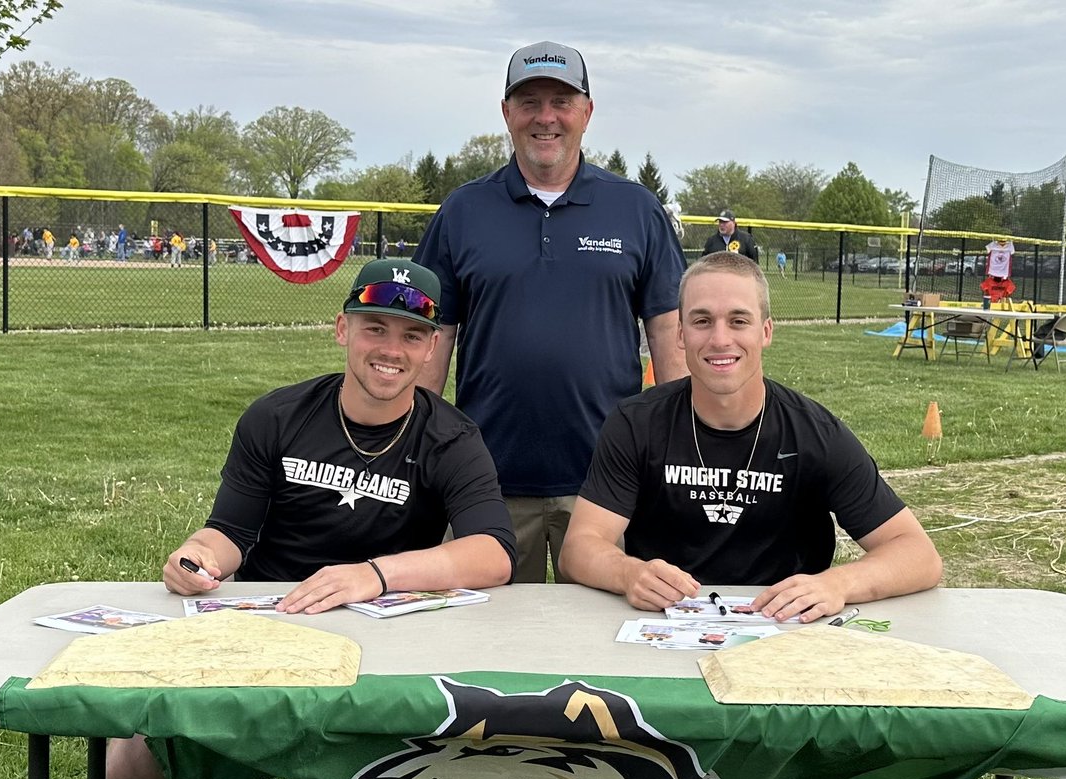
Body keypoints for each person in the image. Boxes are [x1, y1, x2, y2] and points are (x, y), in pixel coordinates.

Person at [104, 258, 517, 779]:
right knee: (130, 756)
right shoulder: (277, 416)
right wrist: (196, 557)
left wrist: (372, 575)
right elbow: (229, 532)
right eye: (375, 328)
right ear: (343, 329)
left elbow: (494, 553)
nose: (391, 349)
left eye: (411, 335)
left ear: (430, 349)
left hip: (381, 639)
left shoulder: (450, 436)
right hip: (265, 624)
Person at [414, 40, 687, 584]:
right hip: (485, 480)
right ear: (506, 113)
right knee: (487, 642)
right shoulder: (464, 209)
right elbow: (433, 334)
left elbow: (670, 332)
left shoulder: (635, 208)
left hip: (606, 485)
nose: (546, 117)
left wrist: (679, 449)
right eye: (529, 101)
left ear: (586, 112)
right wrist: (416, 442)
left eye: (561, 101)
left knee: (600, 643)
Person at [559, 252, 942, 621]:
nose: (720, 339)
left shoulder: (814, 433)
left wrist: (838, 583)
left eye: (738, 321)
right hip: (668, 621)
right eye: (702, 321)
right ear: (680, 334)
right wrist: (628, 573)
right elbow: (579, 548)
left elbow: (918, 555)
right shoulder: (636, 423)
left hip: (782, 627)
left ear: (766, 331)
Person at [982, 238, 1015, 302]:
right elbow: (985, 290)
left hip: (1003, 272)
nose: (1002, 243)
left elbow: (1011, 289)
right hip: (993, 270)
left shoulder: (1010, 245)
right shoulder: (993, 244)